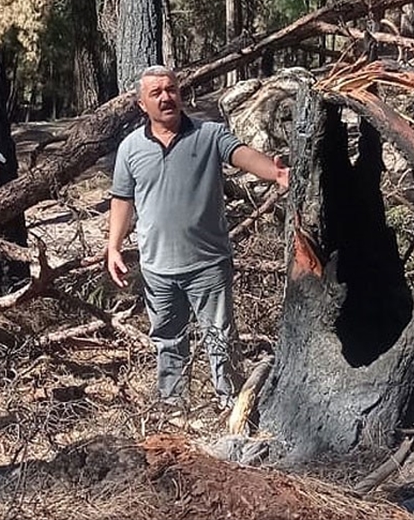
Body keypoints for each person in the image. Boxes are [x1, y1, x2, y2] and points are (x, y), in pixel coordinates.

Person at [106, 65, 289, 411]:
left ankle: (232, 404)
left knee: (220, 336)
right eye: (156, 93)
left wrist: (275, 172)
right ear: (141, 104)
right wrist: (113, 246)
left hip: (208, 264)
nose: (166, 97)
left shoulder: (209, 135)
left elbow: (242, 154)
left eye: (171, 89)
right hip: (157, 268)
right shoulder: (129, 148)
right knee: (167, 340)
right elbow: (122, 199)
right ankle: (174, 407)